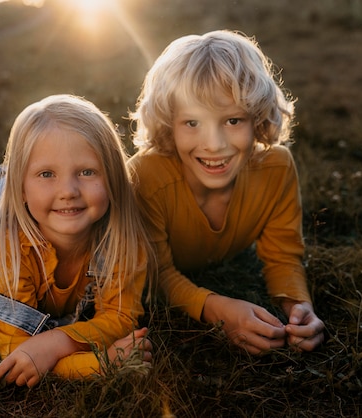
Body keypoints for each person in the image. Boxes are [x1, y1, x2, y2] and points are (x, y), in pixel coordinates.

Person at [127, 30, 324, 355]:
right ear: (168, 124)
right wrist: (219, 310)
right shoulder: (145, 177)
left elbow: (283, 255)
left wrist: (299, 308)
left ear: (257, 119)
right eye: (192, 123)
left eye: (233, 120)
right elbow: (156, 274)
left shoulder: (277, 168)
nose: (214, 144)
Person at [0, 94, 153, 388]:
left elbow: (120, 316)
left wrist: (55, 343)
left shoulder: (121, 240)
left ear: (113, 178)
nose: (68, 190)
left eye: (87, 172)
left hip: (30, 199)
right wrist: (98, 364)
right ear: (21, 187)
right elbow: (19, 352)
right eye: (48, 173)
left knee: (35, 192)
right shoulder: (7, 251)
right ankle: (3, 181)